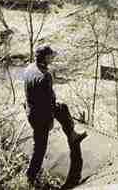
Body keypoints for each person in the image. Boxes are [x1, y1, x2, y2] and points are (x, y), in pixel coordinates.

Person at [23, 43, 87, 186]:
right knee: (40, 150)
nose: (53, 57)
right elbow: (49, 102)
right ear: (45, 57)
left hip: (31, 110)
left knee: (62, 107)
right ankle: (29, 179)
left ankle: (72, 135)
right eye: (51, 55)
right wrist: (50, 120)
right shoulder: (45, 76)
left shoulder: (29, 69)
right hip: (40, 116)